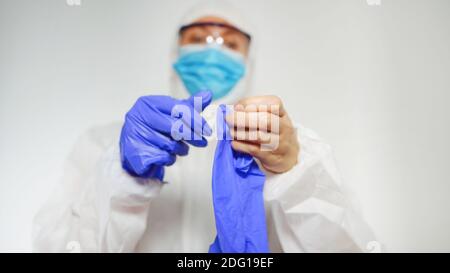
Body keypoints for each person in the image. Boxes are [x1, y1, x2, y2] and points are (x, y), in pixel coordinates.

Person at [33, 0, 375, 252]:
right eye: (198, 38)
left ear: (248, 60)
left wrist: (295, 174)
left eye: (229, 43)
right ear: (175, 52)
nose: (212, 52)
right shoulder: (104, 143)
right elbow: (59, 245)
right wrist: (124, 174)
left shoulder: (288, 149)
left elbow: (352, 246)